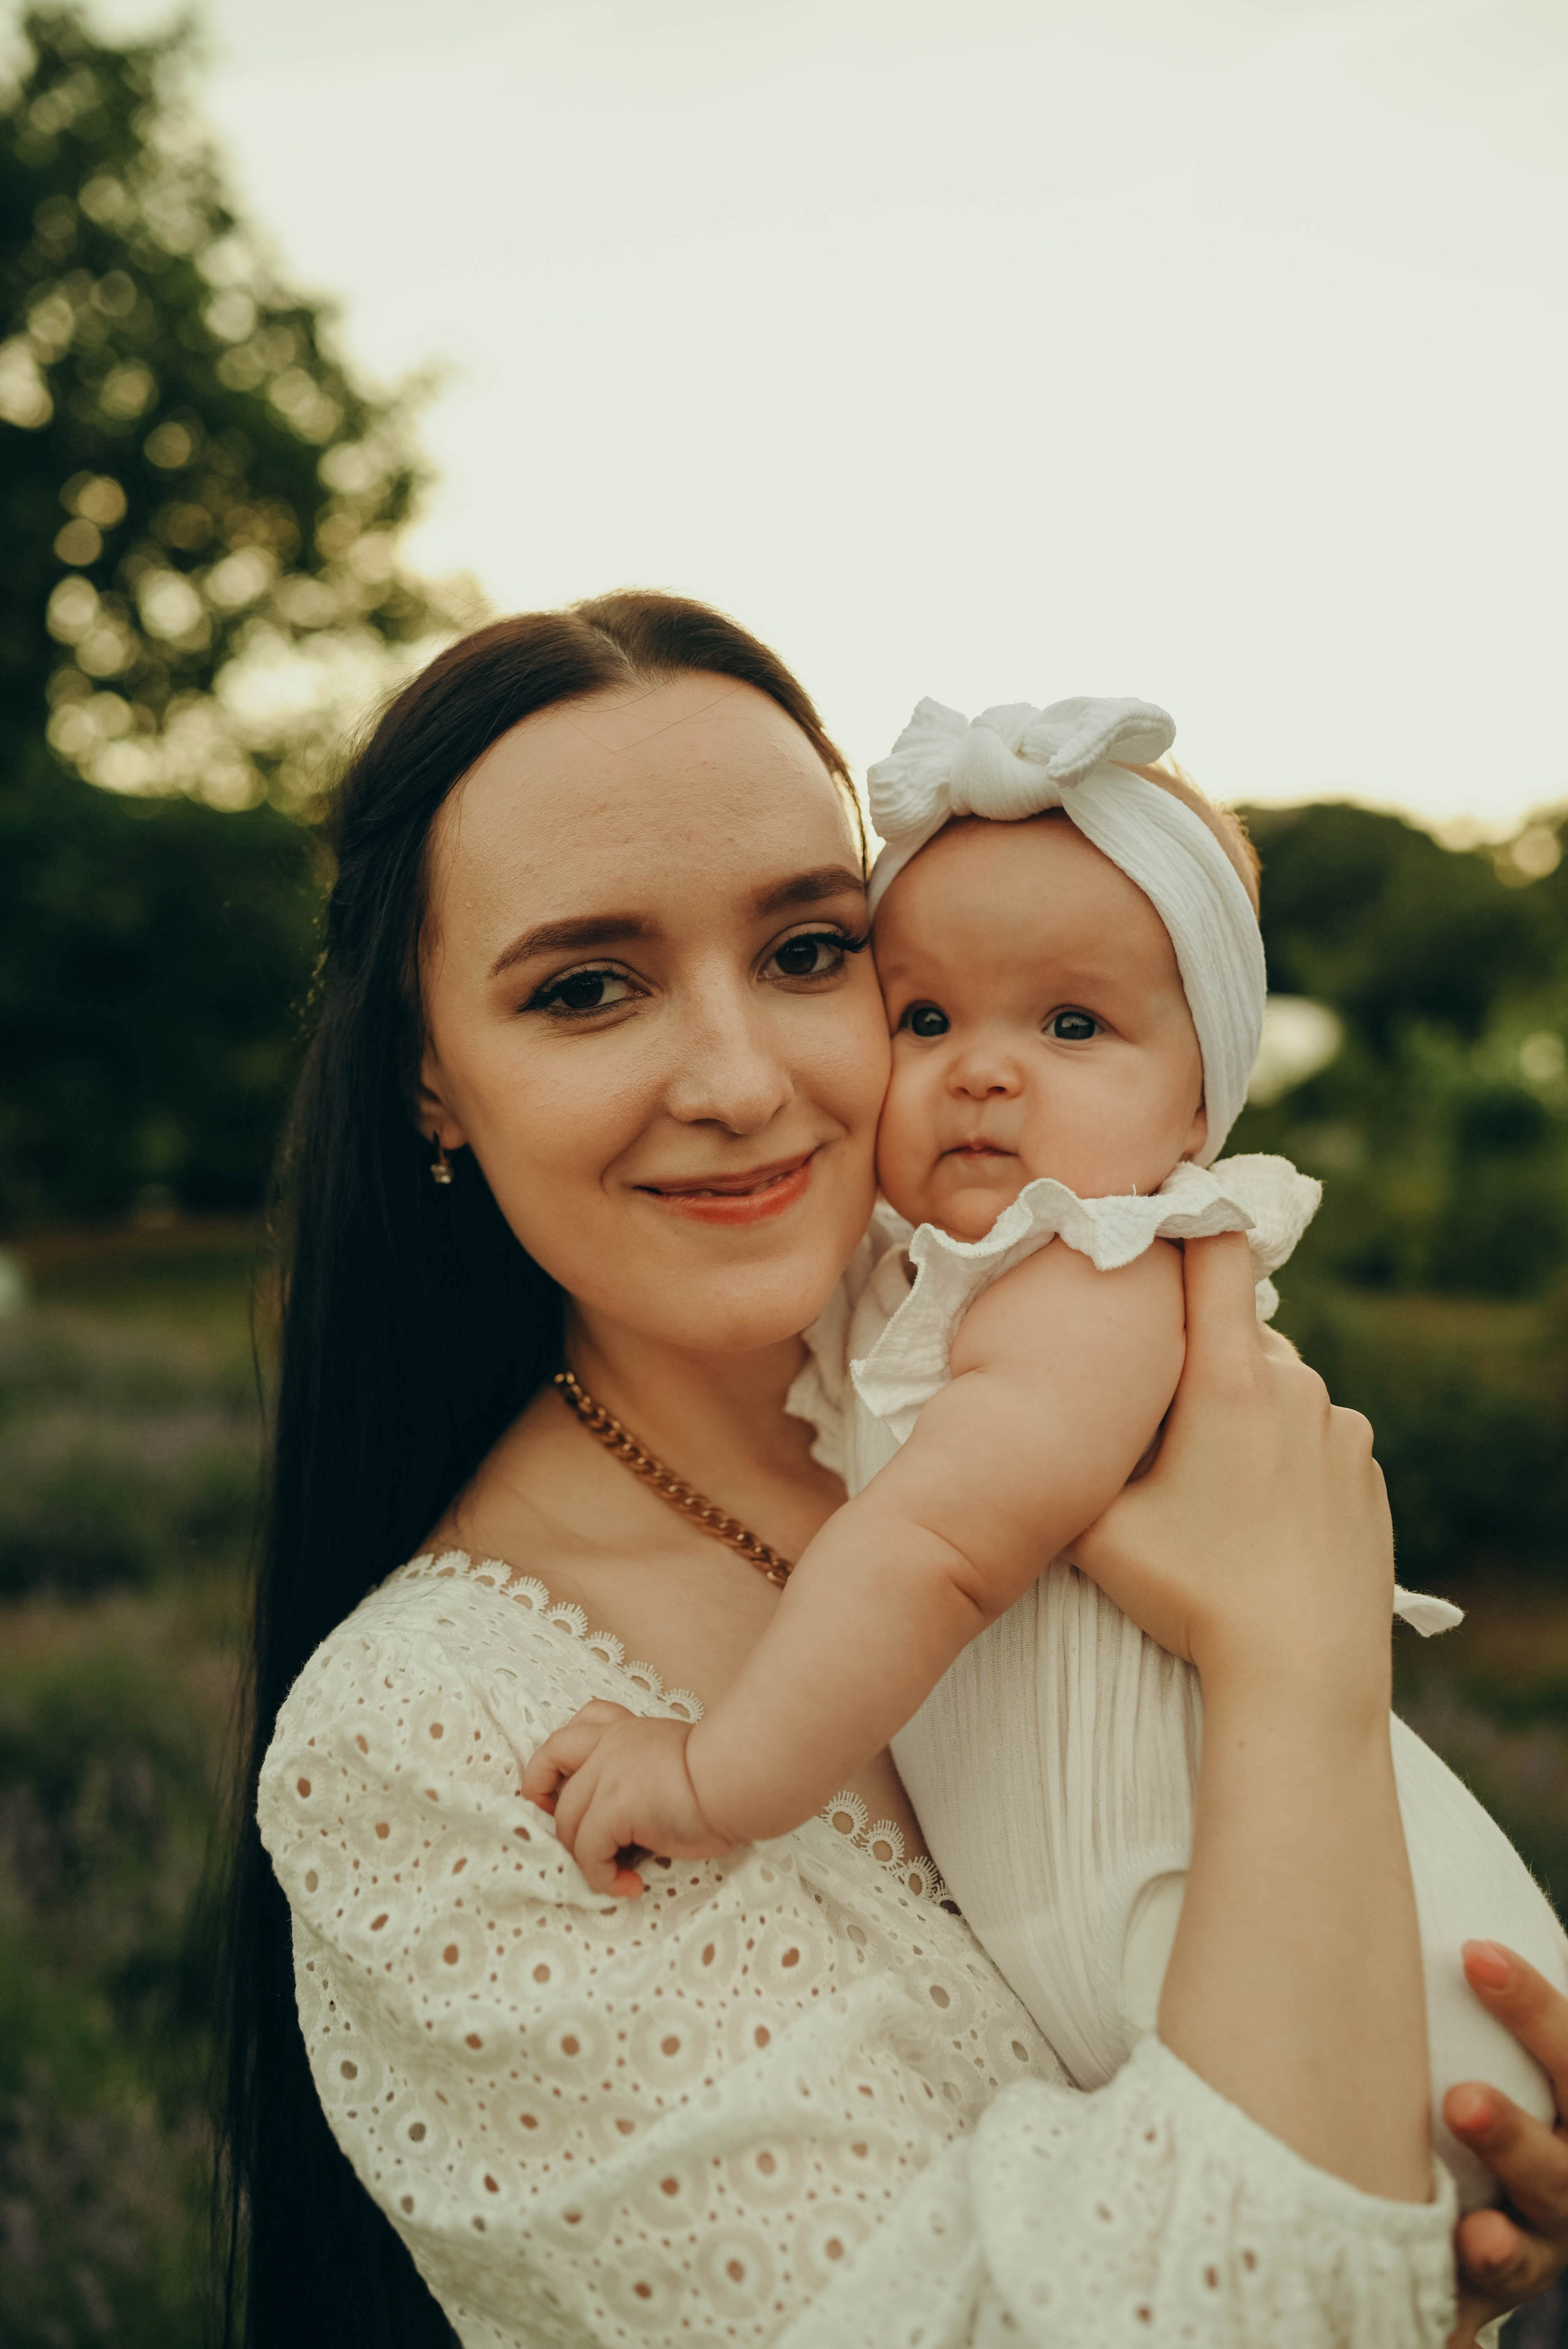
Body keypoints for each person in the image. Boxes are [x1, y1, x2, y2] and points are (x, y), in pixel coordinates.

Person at [225, 592, 1568, 2348]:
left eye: (807, 951)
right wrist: (1300, 1661)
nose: (740, 1075)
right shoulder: (432, 1747)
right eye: (585, 987)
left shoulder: (1063, 1371)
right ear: (430, 1079)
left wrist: (1434, 2262)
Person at [521, 689, 1568, 2214]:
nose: (983, 1069)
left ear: (1199, 1098)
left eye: (1071, 1024)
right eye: (925, 1016)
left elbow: (937, 1550)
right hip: (1130, 1915)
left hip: (1245, 1908)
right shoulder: (933, 1275)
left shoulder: (1102, 1266)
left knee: (1261, 2231)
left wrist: (706, 1774)